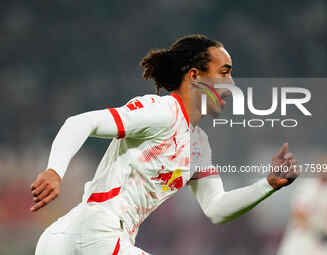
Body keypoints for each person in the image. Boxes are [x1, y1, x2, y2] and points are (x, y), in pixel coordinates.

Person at [31, 34, 298, 255]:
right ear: (195, 76)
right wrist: (55, 171)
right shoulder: (161, 112)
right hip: (96, 230)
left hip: (70, 237)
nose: (231, 84)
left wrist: (269, 185)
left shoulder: (198, 145)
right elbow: (80, 122)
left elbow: (216, 208)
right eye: (224, 73)